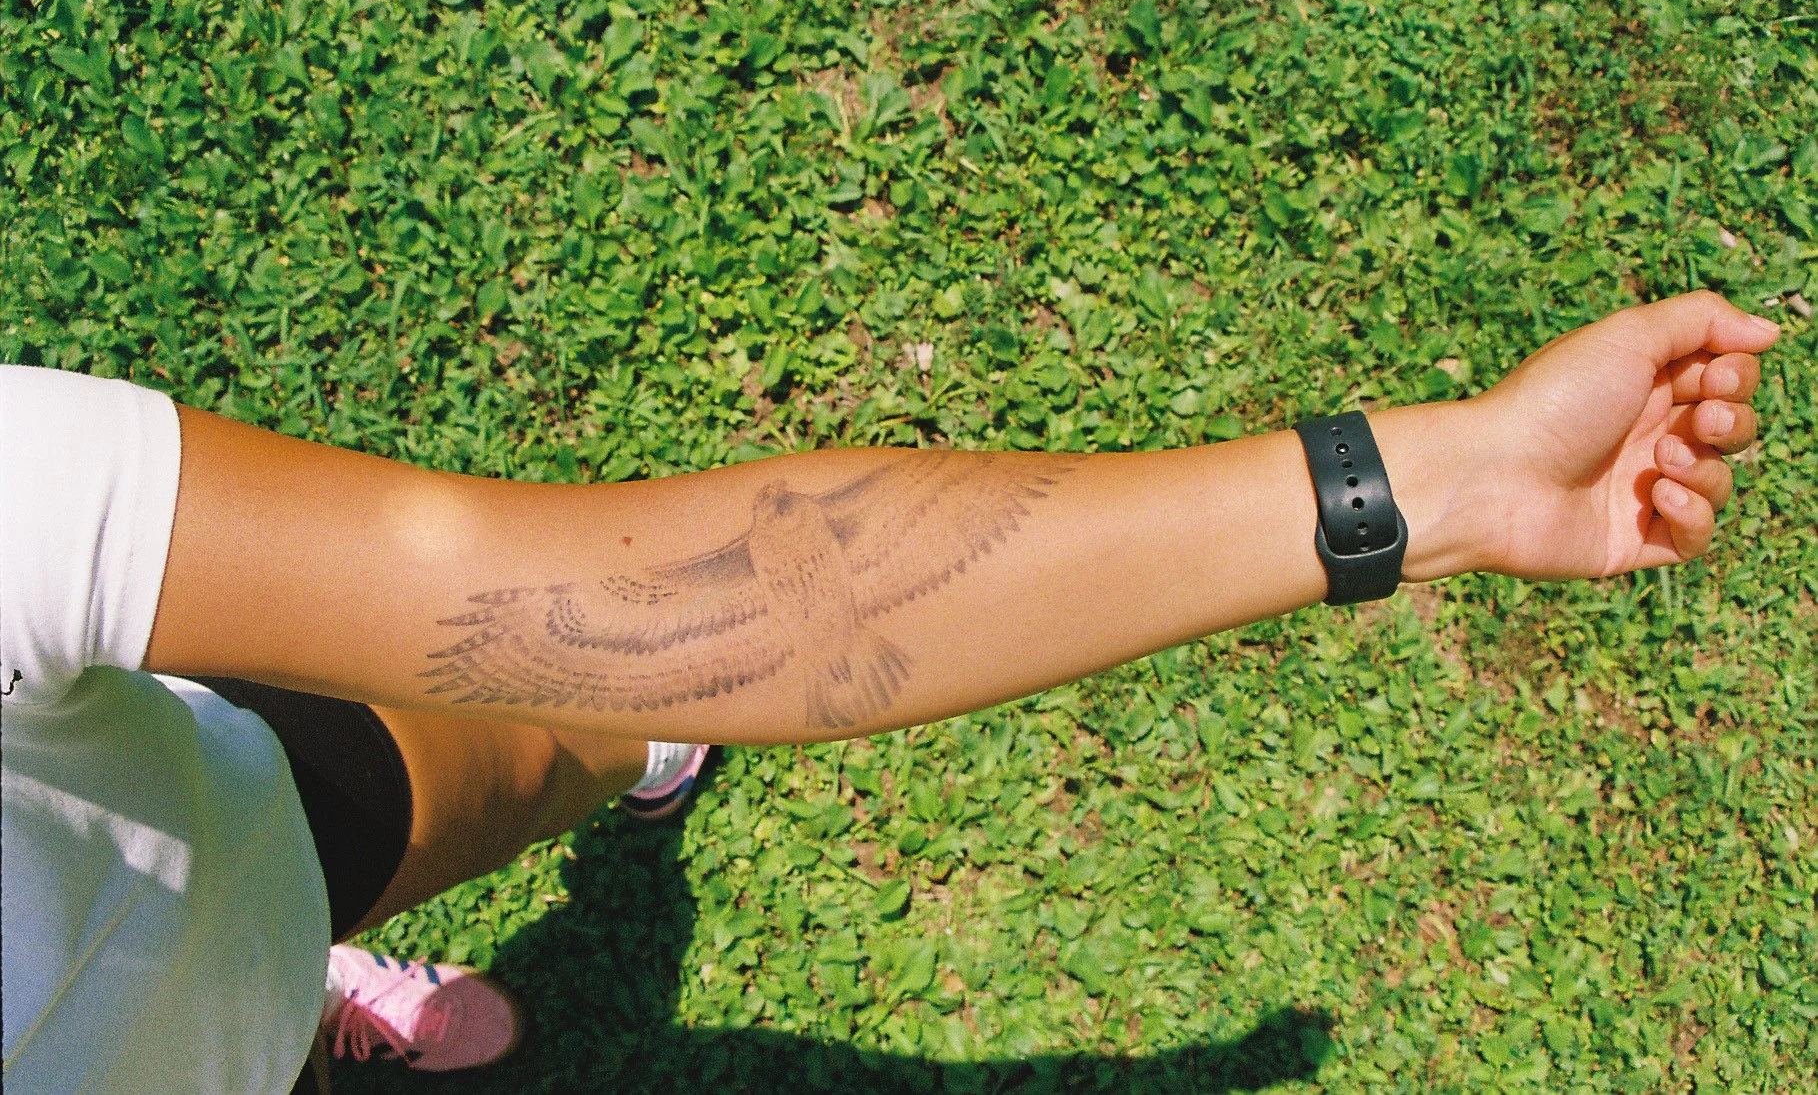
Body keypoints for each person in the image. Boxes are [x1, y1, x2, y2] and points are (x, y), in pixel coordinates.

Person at [0, 290, 1781, 1093]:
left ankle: (590, 776)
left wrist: (1427, 486)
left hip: (223, 825)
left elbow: (661, 606)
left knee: (572, 710)